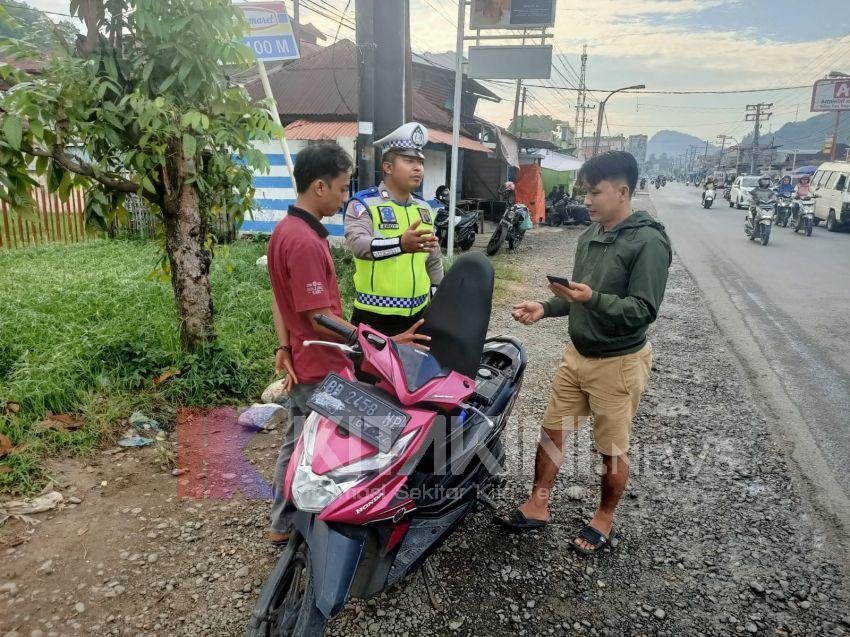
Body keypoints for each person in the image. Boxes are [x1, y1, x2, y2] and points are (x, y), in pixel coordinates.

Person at [496, 151, 672, 555]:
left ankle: (604, 518)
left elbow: (643, 311)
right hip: (577, 356)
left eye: (595, 192)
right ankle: (538, 504)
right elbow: (576, 294)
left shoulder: (649, 241)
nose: (587, 200)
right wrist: (546, 307)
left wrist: (592, 299)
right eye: (585, 192)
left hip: (619, 362)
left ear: (623, 191)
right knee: (553, 430)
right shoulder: (589, 235)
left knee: (611, 447)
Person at [266, 143, 428, 546]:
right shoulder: (303, 240)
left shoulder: (286, 230)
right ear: (319, 186)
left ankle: (284, 521)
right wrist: (384, 341)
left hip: (305, 359)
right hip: (321, 365)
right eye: (340, 189)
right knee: (384, 430)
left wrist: (282, 348)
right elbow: (317, 317)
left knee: (301, 438)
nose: (344, 197)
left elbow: (278, 296)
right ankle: (343, 520)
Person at [344, 122, 443, 337]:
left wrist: (438, 299)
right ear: (388, 167)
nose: (418, 168)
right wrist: (400, 244)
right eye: (409, 161)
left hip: (419, 315)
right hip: (375, 318)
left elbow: (433, 258)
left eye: (420, 162)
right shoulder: (364, 204)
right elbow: (359, 246)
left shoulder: (424, 209)